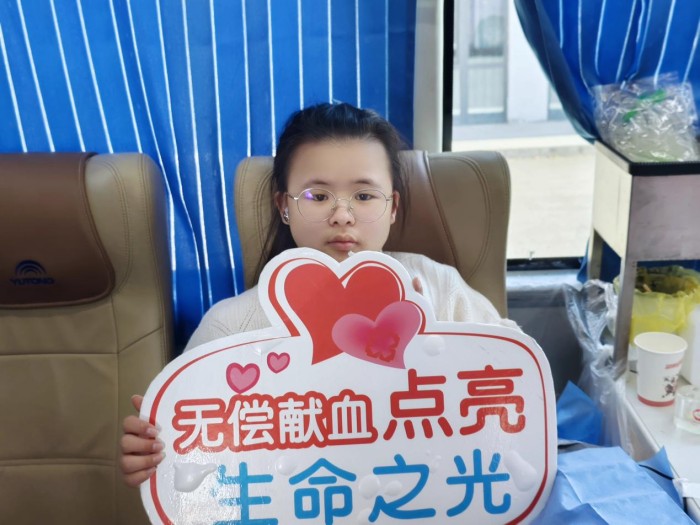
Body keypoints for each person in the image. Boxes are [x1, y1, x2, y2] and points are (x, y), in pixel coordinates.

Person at [120, 102, 517, 487]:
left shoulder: (438, 287)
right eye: (318, 196)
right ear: (284, 206)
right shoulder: (231, 326)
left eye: (364, 196)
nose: (342, 215)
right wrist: (158, 457)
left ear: (393, 206)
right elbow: (192, 458)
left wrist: (441, 349)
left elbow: (518, 385)